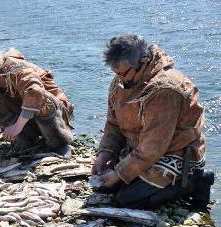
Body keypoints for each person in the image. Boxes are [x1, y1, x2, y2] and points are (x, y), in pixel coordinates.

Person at [92, 34, 214, 210]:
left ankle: (197, 180)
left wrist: (119, 173)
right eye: (116, 73)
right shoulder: (122, 80)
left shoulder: (164, 89)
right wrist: (104, 154)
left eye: (123, 73)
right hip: (140, 146)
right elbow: (113, 124)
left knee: (128, 201)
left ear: (143, 61)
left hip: (174, 151)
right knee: (106, 188)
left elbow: (153, 147)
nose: (120, 79)